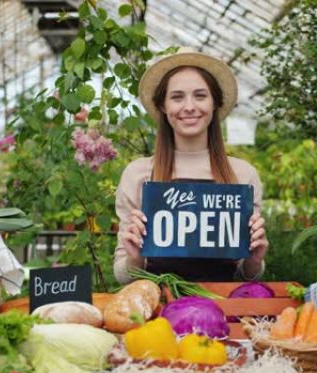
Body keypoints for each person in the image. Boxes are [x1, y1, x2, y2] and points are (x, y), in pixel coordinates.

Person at [113, 48, 268, 284]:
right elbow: (124, 277)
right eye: (177, 97)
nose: (189, 107)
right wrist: (134, 257)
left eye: (200, 95)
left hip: (223, 310)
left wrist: (254, 260)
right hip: (159, 311)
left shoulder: (243, 175)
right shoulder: (138, 174)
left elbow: (244, 276)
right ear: (163, 106)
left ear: (214, 102)